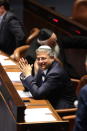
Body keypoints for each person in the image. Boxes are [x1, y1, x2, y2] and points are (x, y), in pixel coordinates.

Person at [18, 45, 77, 109]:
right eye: (38, 59)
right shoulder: (43, 67)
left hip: (61, 110)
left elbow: (38, 94)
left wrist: (28, 75)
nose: (40, 61)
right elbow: (32, 86)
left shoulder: (55, 73)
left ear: (52, 58)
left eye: (43, 58)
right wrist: (25, 74)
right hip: (48, 101)